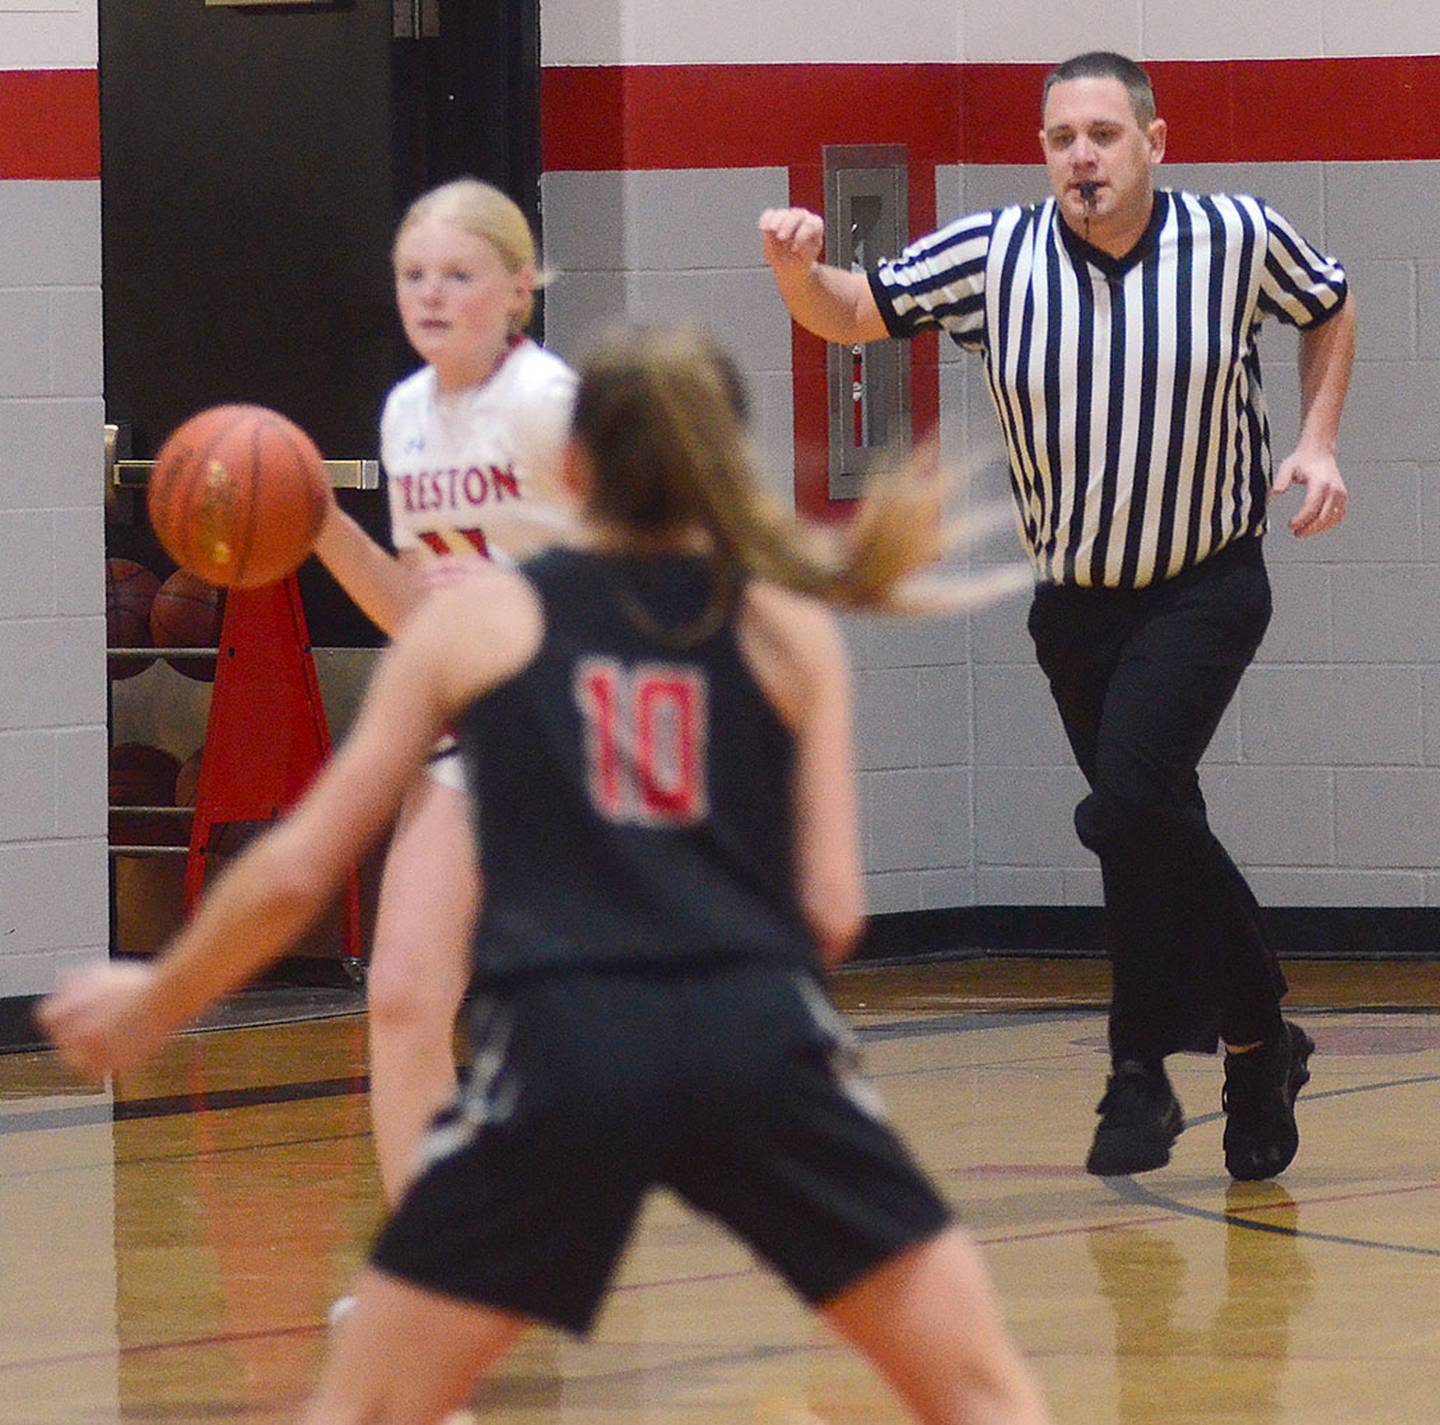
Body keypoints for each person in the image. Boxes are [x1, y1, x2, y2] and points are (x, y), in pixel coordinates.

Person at [42, 326, 1052, 1425]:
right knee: (984, 1398)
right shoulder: (787, 622)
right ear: (728, 455)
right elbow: (835, 912)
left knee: (371, 1409)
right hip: (760, 1040)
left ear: (567, 469)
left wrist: (158, 997)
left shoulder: (478, 620)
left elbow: (295, 870)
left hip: (566, 1049)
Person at [759, 50, 1356, 1181]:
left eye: (1102, 135)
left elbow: (1329, 301)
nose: (1080, 155)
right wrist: (796, 269)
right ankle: (1257, 1046)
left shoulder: (1234, 235)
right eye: (1059, 138)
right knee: (1151, 822)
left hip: (1204, 582)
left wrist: (1318, 441)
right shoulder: (996, 254)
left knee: (1131, 803)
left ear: (1152, 142)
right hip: (1074, 603)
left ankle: (1139, 1066)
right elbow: (852, 312)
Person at [312, 177, 577, 1209]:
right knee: (403, 997)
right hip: (472, 734)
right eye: (413, 276)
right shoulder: (407, 414)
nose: (431, 294)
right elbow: (421, 614)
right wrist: (320, 525)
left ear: (517, 290)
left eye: (457, 275)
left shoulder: (551, 406)